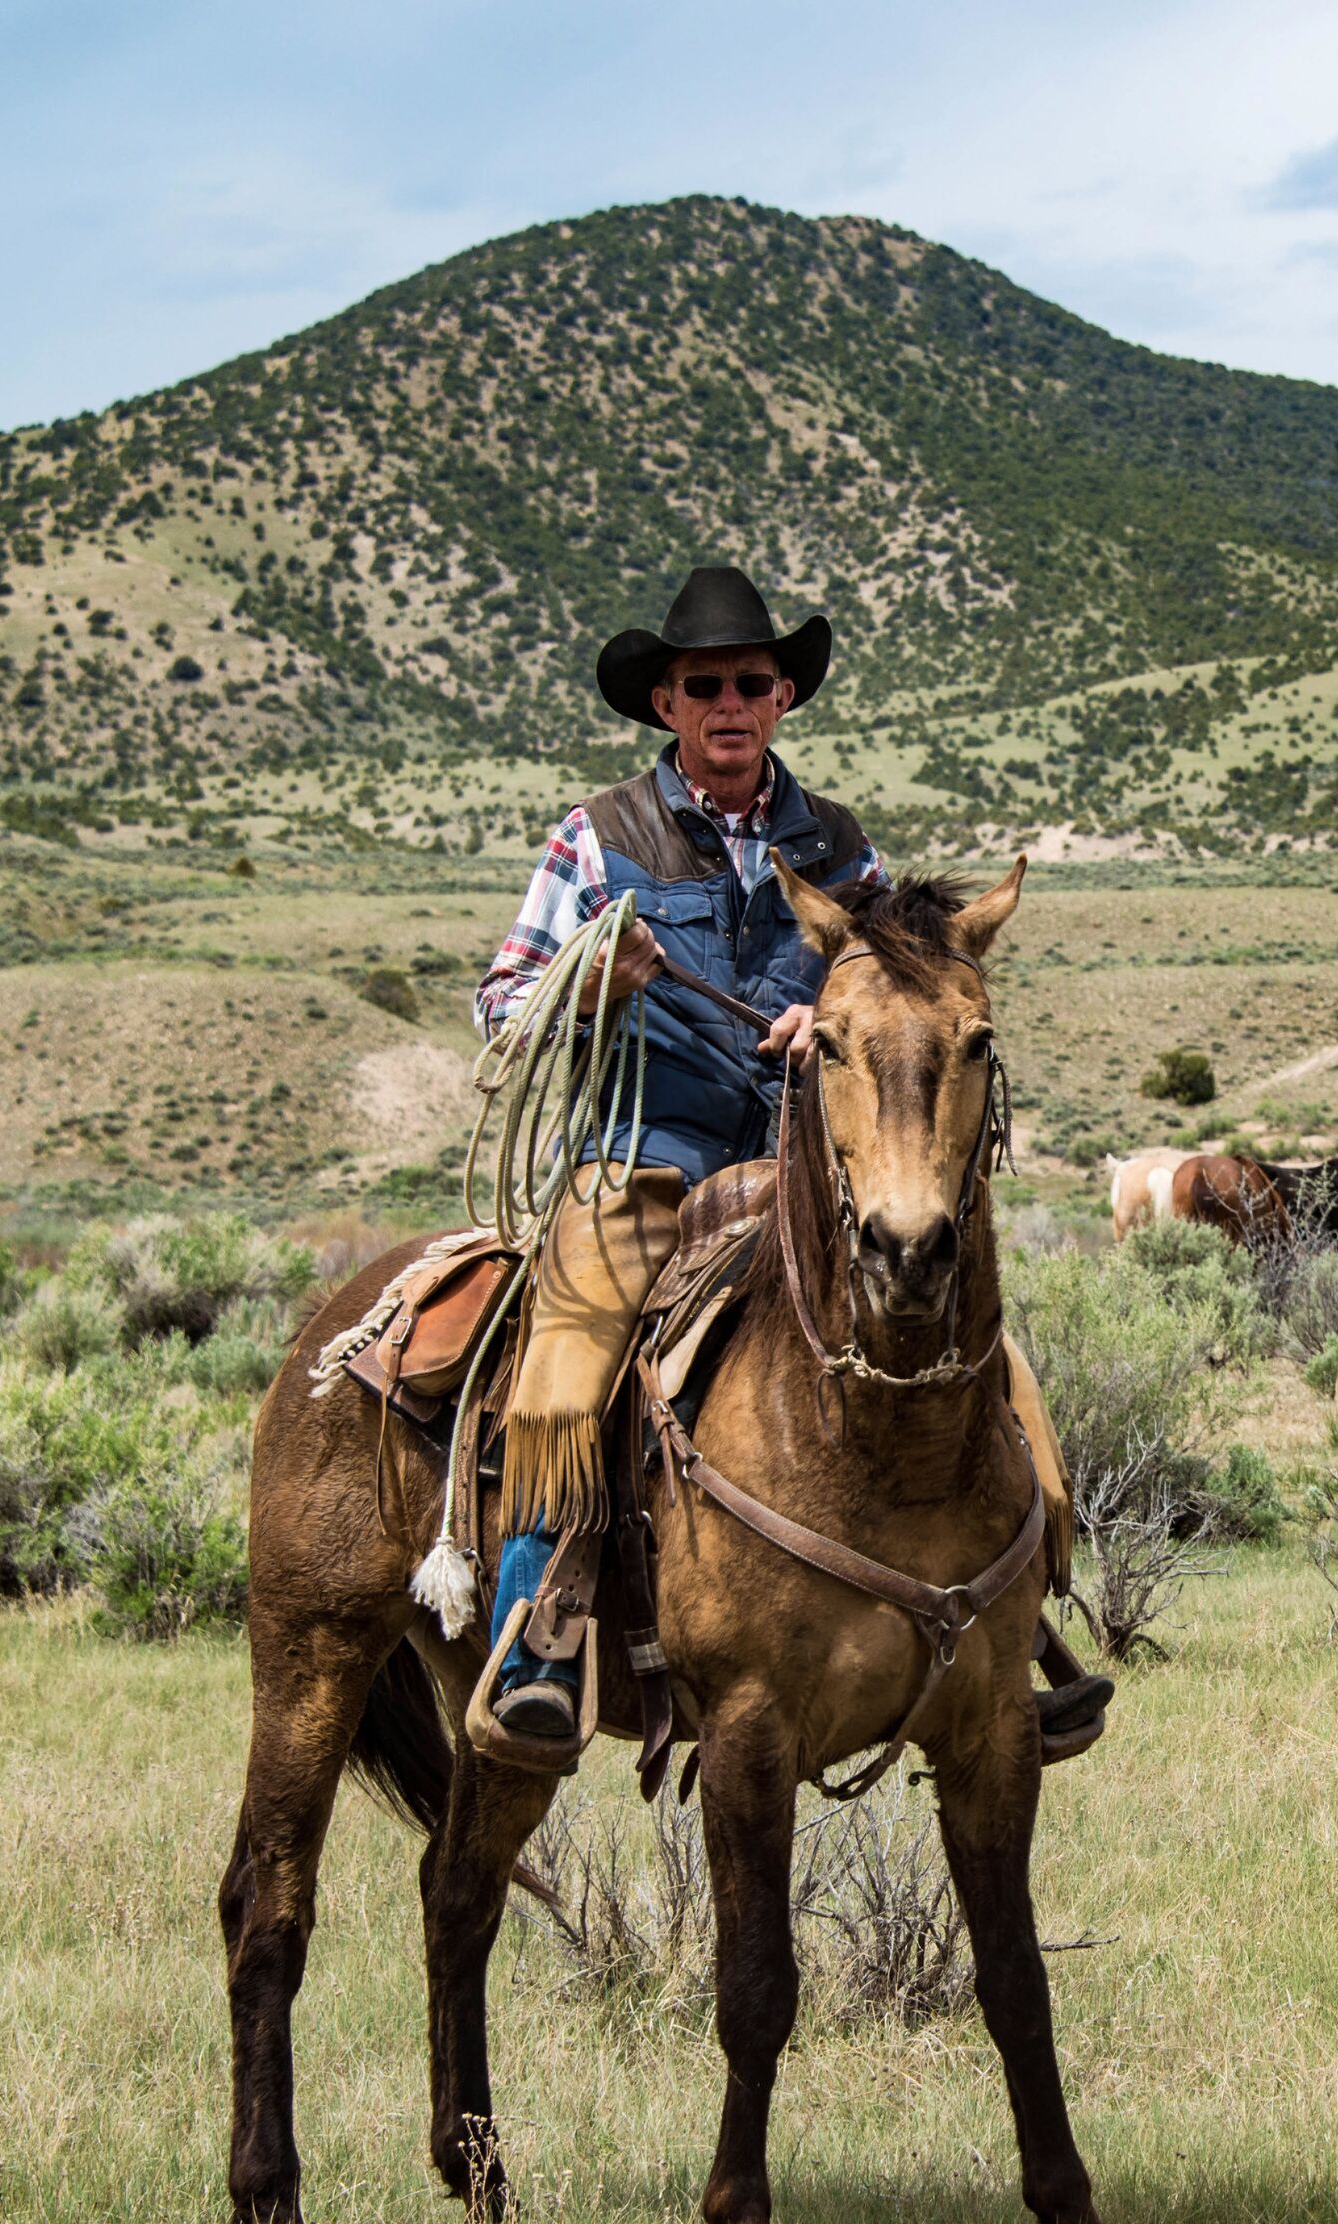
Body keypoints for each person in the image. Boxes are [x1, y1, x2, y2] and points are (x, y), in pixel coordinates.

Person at [467, 564, 1110, 1766]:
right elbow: (500, 1004)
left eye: (749, 683)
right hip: (644, 1159)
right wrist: (588, 980)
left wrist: (829, 1015)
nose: (727, 703)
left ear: (781, 700)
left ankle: (1018, 1628)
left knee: (981, 1344)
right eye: (701, 685)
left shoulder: (840, 848)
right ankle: (539, 1636)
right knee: (569, 1357)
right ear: (665, 704)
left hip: (807, 1171)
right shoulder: (596, 840)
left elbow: (894, 987)